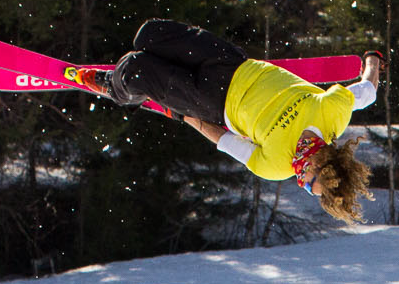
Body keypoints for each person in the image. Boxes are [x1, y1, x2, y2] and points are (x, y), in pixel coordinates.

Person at [82, 21, 382, 224]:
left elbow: (224, 141)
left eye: (306, 189)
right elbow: (367, 91)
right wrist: (374, 61)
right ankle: (140, 81)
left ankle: (115, 87)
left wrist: (183, 114)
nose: (300, 181)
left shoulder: (275, 166)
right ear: (323, 167)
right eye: (309, 184)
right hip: (230, 64)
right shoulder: (333, 114)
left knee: (136, 69)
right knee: (148, 34)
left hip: (210, 102)